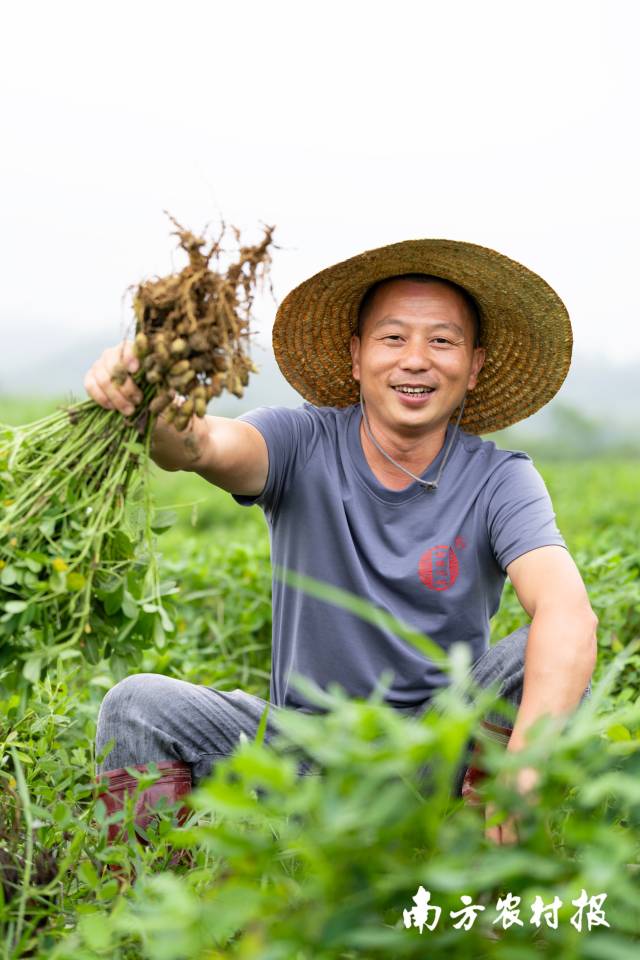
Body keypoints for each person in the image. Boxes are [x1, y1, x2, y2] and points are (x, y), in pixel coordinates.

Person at [85, 238, 597, 849]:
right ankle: (147, 911)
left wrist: (526, 770)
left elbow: (568, 612)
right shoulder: (300, 441)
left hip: (433, 751)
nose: (416, 360)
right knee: (136, 706)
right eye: (392, 338)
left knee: (546, 656)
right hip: (300, 750)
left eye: (441, 340)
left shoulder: (500, 478)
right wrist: (147, 400)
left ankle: (481, 850)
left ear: (475, 364)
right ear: (356, 357)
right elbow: (200, 446)